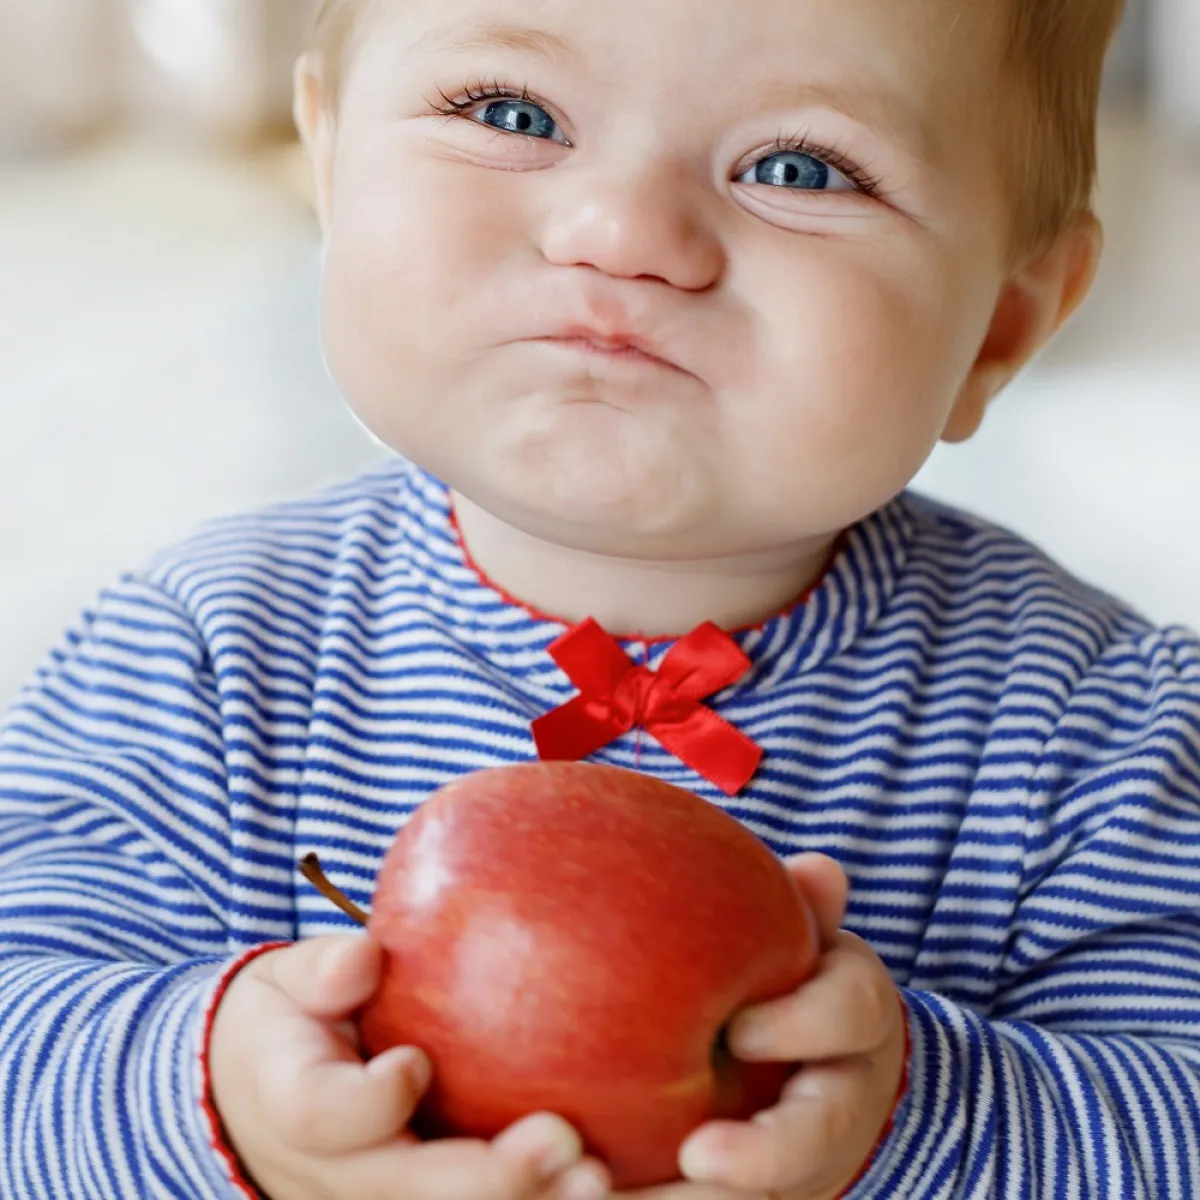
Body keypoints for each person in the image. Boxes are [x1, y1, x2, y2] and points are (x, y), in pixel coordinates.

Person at [4, 0, 1198, 1196]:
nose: (624, 233)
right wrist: (217, 1100)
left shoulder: (1104, 732)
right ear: (331, 165)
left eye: (799, 169)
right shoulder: (200, 657)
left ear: (1001, 326)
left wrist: (916, 1114)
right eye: (512, 113)